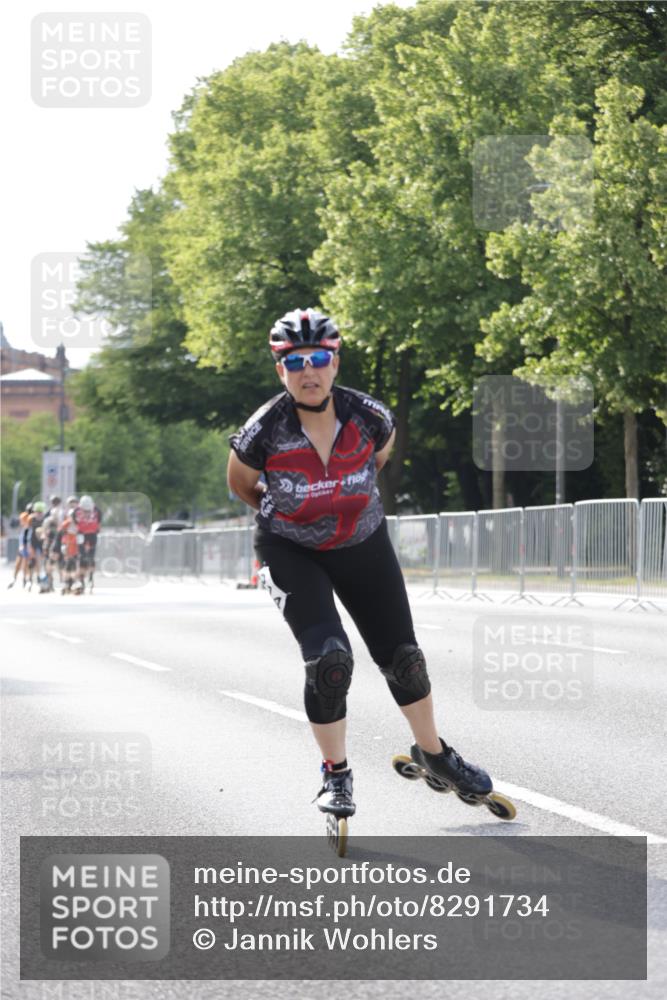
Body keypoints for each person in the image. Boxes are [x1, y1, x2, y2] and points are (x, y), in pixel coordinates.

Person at [227, 308, 494, 820]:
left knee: (405, 659)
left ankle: (435, 754)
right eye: (296, 361)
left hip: (363, 541)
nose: (310, 371)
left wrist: (342, 501)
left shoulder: (370, 417)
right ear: (280, 368)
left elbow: (378, 458)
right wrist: (295, 511)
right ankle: (336, 773)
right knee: (329, 661)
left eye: (320, 359)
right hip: (290, 548)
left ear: (335, 362)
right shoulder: (263, 430)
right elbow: (241, 483)